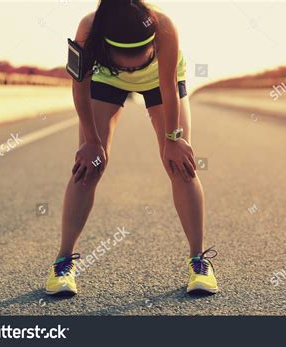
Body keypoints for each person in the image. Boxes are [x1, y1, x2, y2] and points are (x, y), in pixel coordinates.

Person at [45, 0, 218, 296]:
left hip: (159, 82)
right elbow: (79, 86)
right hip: (106, 78)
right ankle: (62, 264)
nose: (134, 67)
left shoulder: (164, 27)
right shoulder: (88, 28)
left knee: (180, 166)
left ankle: (198, 262)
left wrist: (173, 139)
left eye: (140, 59)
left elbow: (167, 86)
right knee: (89, 168)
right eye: (128, 61)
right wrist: (91, 141)